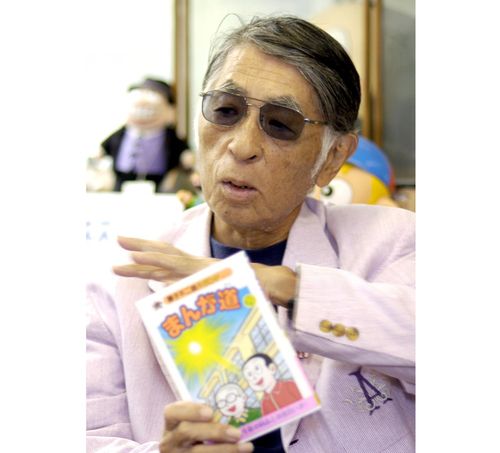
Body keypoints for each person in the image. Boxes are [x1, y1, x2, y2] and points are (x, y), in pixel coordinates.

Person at [87, 15, 415, 453]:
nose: (241, 146)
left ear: (333, 157)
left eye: (280, 124)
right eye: (225, 111)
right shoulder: (120, 278)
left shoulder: (393, 242)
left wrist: (284, 287)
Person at [101, 77, 190, 192]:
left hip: (158, 182)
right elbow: (105, 148)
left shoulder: (170, 136)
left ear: (170, 111)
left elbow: (181, 149)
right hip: (123, 179)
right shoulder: (122, 132)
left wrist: (186, 158)